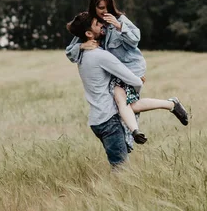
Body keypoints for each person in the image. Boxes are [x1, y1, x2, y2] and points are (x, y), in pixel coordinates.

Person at [66, 11, 189, 167]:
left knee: (119, 164)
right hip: (109, 120)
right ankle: (170, 105)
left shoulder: (80, 55)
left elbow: (74, 52)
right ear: (89, 34)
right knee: (121, 168)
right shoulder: (100, 56)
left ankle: (169, 105)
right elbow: (132, 80)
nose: (103, 24)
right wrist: (137, 83)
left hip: (96, 121)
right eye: (98, 24)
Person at [66, 0, 150, 147]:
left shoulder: (120, 19)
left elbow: (135, 40)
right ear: (94, 7)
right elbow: (70, 52)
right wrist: (82, 46)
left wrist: (119, 26)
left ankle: (129, 141)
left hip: (130, 70)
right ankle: (130, 138)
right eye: (101, 8)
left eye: (107, 7)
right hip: (113, 73)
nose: (105, 11)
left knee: (123, 103)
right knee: (121, 106)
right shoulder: (90, 25)